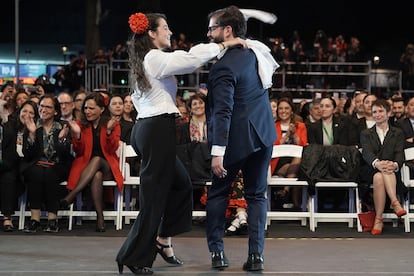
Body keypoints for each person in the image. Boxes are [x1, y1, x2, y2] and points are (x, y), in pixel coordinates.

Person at [115, 11, 247, 275]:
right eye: (165, 28)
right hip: (155, 130)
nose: (170, 32)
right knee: (153, 198)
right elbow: (188, 59)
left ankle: (163, 239)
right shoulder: (153, 57)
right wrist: (223, 44)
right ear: (151, 33)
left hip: (151, 129)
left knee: (182, 185)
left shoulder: (147, 59)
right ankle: (135, 257)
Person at [205, 6, 278, 272]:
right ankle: (256, 256)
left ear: (227, 30)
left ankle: (217, 253)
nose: (208, 33)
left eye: (212, 27)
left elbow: (223, 111)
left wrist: (217, 150)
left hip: (235, 140)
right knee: (257, 196)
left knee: (218, 194)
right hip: (264, 134)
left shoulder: (222, 68)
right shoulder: (256, 51)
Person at [59, 92, 122, 233]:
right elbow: (78, 151)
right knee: (96, 175)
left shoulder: (112, 124)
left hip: (108, 167)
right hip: (87, 169)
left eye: (91, 108)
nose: (87, 111)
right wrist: (78, 135)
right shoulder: (81, 125)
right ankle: (100, 217)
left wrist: (109, 132)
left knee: (98, 160)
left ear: (102, 109)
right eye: (86, 108)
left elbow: (113, 149)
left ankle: (71, 195)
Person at [22, 94, 73, 233]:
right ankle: (35, 220)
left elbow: (65, 155)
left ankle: (52, 220)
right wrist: (32, 134)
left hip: (57, 165)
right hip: (36, 165)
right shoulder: (32, 125)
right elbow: (27, 155)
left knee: (50, 173)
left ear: (55, 111)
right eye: (41, 106)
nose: (43, 109)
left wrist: (62, 140)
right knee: (36, 172)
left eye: (48, 107)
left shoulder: (63, 127)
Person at [360, 99, 407, 235]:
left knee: (380, 177)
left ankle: (378, 220)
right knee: (378, 174)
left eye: (381, 111)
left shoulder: (397, 133)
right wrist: (377, 163)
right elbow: (367, 153)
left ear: (388, 113)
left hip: (391, 170)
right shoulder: (366, 133)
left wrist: (395, 164)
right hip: (371, 169)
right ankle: (395, 202)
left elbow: (399, 153)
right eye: (374, 112)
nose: (377, 114)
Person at [0, 100, 39, 231]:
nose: (27, 115)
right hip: (9, 164)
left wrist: (32, 134)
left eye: (31, 113)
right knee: (8, 176)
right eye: (24, 111)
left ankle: (7, 217)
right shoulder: (8, 127)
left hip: (27, 166)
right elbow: (4, 151)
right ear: (19, 112)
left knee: (12, 176)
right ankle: (7, 218)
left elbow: (33, 155)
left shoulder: (36, 129)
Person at [270, 97, 308, 210]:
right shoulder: (272, 126)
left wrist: (294, 135)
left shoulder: (300, 126)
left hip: (296, 162)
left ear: (292, 110)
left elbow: (304, 146)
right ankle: (296, 205)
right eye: (280, 108)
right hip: (277, 163)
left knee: (298, 158)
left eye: (286, 108)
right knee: (297, 169)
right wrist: (286, 136)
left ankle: (285, 191)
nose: (283, 111)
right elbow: (271, 147)